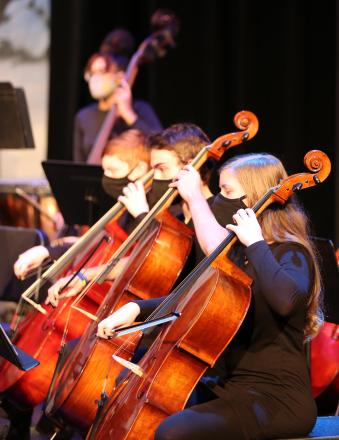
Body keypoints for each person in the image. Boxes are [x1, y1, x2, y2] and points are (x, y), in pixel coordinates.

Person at [97, 152, 322, 439]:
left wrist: (255, 242)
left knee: (172, 431)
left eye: (227, 191)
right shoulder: (240, 254)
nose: (218, 200)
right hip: (229, 386)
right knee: (133, 390)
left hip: (275, 398)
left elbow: (285, 300)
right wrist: (136, 309)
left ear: (253, 199)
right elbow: (195, 299)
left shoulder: (291, 252)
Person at [45, 122, 213, 307]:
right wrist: (85, 276)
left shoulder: (213, 218)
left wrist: (142, 214)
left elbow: (161, 257)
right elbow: (137, 259)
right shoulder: (180, 216)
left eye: (162, 169)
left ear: (190, 166)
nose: (155, 177)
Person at [13, 129, 150, 281]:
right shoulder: (121, 207)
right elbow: (96, 246)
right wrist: (46, 251)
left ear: (140, 169)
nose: (106, 178)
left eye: (113, 170)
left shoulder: (146, 209)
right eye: (104, 171)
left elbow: (138, 261)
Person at [73, 49, 162, 162]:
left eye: (101, 72)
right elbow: (78, 163)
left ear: (119, 76)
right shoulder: (83, 116)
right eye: (92, 73)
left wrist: (129, 115)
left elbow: (161, 145)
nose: (95, 78)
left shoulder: (140, 108)